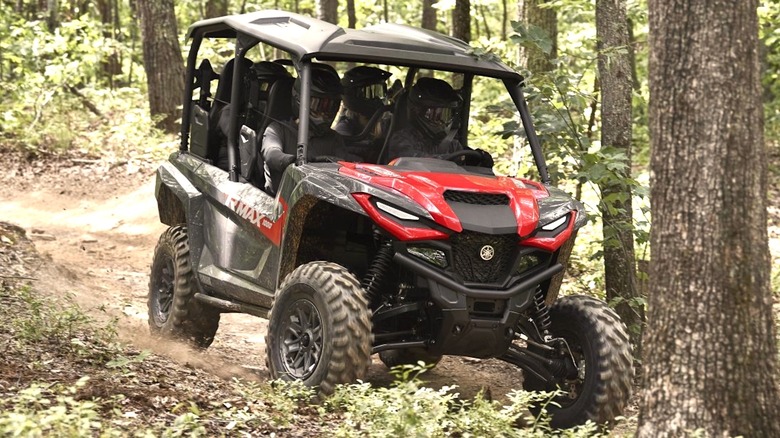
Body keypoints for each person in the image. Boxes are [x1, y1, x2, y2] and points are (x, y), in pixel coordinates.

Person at [261, 63, 351, 194]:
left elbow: (344, 167)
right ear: (300, 101)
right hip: (279, 202)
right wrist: (294, 161)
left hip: (319, 201)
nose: (325, 113)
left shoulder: (334, 138)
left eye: (330, 106)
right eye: (318, 105)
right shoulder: (277, 129)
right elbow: (271, 154)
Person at [386, 77, 492, 168]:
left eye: (446, 115)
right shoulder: (402, 139)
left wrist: (476, 160)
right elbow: (412, 162)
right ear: (417, 111)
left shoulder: (452, 145)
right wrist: (456, 159)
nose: (442, 121)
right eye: (435, 115)